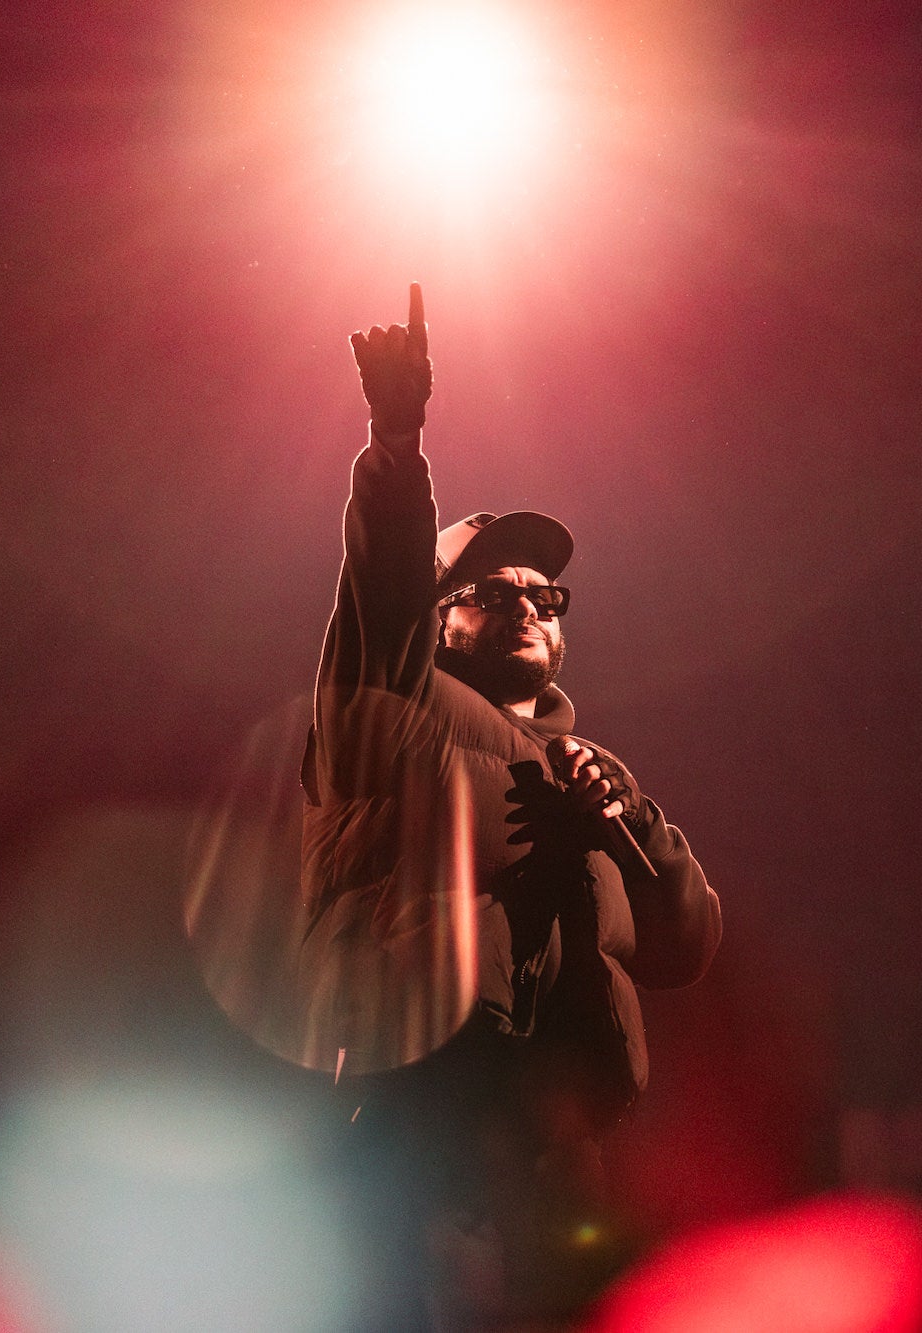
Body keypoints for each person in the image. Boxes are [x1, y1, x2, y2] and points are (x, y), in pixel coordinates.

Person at [301, 284, 722, 1326]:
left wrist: (628, 822)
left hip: (564, 1150)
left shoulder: (595, 769)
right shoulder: (392, 710)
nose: (528, 605)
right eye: (493, 590)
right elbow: (379, 598)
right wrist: (395, 451)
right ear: (439, 619)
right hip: (422, 1121)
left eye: (545, 595)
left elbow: (684, 945)